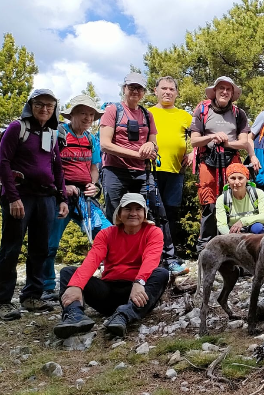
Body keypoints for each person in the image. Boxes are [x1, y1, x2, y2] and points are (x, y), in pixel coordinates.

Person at [100, 72, 185, 274]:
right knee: (115, 215)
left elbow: (153, 142)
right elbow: (105, 144)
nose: (135, 91)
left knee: (157, 213)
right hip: (115, 171)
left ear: (144, 92)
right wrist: (138, 154)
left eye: (139, 88)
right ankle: (112, 261)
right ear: (124, 89)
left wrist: (149, 146)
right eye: (131, 87)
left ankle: (168, 259)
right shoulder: (112, 110)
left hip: (142, 172)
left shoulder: (147, 115)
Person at [52, 193, 169, 338]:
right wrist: (76, 285)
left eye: (138, 209)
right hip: (107, 291)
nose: (133, 213)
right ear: (119, 213)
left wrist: (139, 281)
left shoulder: (153, 232)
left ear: (144, 214)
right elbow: (93, 259)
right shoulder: (106, 234)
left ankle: (124, 315)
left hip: (135, 294)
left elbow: (151, 259)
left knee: (161, 273)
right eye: (128, 209)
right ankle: (74, 315)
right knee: (68, 272)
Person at [0, 89, 69, 319]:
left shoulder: (52, 132)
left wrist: (62, 198)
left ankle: (32, 297)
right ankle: (2, 301)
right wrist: (12, 197)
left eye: (50, 106)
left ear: (54, 109)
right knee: (11, 247)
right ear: (31, 105)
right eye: (40, 104)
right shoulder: (17, 128)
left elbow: (57, 168)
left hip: (46, 197)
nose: (45, 109)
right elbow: (3, 161)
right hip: (20, 196)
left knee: (41, 248)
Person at [43, 95, 109, 302]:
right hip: (58, 196)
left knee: (107, 232)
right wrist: (63, 187)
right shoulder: (56, 134)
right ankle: (45, 287)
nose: (88, 118)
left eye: (91, 114)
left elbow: (94, 168)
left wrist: (93, 184)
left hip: (84, 197)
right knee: (50, 242)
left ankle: (115, 275)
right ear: (71, 114)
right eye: (83, 113)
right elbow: (44, 165)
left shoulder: (91, 139)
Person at [190, 76, 256, 252]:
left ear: (232, 93)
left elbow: (244, 142)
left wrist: (227, 143)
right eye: (221, 88)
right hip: (208, 159)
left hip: (231, 160)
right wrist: (212, 136)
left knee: (235, 201)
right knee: (209, 202)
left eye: (229, 89)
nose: (225, 92)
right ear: (215, 90)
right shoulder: (202, 110)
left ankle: (234, 245)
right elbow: (194, 141)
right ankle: (206, 246)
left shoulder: (238, 113)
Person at [148, 76, 193, 247]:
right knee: (152, 213)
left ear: (177, 93)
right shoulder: (147, 113)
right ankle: (153, 254)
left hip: (176, 172)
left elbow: (198, 137)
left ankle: (169, 254)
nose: (167, 92)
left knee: (171, 213)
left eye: (171, 89)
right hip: (150, 171)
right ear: (156, 91)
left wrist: (193, 153)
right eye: (164, 88)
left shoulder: (185, 116)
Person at [216, 163, 264, 235]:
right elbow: (222, 225)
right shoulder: (222, 199)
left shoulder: (257, 193)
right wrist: (232, 237)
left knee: (258, 228)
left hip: (254, 229)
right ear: (227, 181)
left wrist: (242, 221)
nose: (237, 182)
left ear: (247, 179)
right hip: (233, 232)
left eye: (240, 178)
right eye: (233, 178)